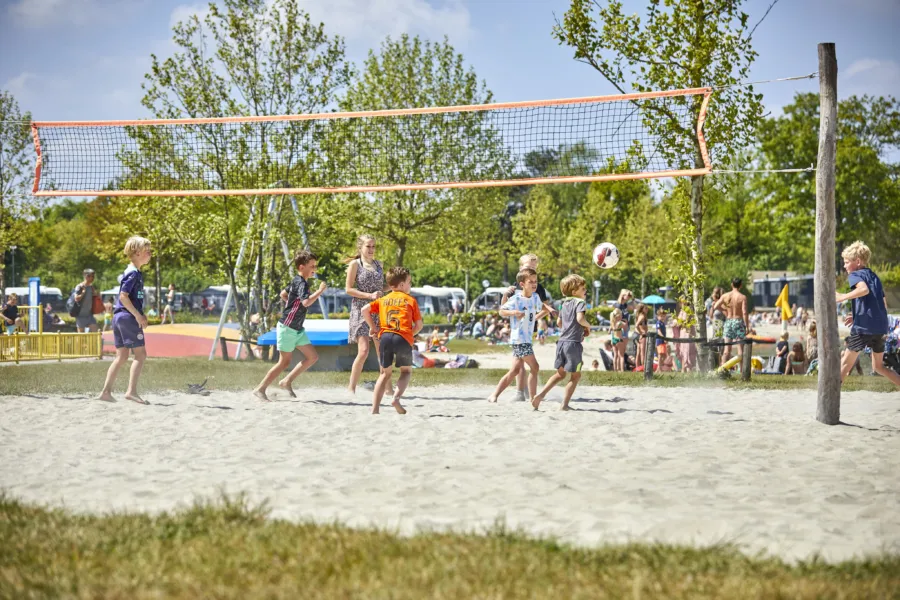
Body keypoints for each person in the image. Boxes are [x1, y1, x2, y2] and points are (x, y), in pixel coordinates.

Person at [253, 250, 327, 401]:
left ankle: (286, 381)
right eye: (312, 266)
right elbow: (306, 302)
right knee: (284, 362)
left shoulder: (297, 280)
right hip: (288, 327)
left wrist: (292, 304)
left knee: (312, 357)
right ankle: (260, 389)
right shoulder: (302, 283)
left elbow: (283, 294)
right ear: (302, 267)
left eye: (315, 265)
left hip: (297, 328)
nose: (315, 269)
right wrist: (319, 292)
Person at [836, 241, 900, 388]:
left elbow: (863, 290)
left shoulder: (855, 275)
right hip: (881, 327)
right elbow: (882, 303)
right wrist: (858, 315)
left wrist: (842, 297)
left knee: (844, 365)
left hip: (864, 328)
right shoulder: (874, 276)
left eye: (846, 262)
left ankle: (829, 400)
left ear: (857, 262)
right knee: (878, 367)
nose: (845, 266)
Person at [362, 266, 423, 414]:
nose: (410, 285)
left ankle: (375, 409)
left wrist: (373, 328)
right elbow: (419, 325)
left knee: (384, 374)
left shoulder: (383, 300)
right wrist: (411, 334)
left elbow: (364, 309)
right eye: (409, 282)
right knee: (406, 372)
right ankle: (396, 398)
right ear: (402, 285)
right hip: (403, 338)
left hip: (385, 338)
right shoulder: (410, 300)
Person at [99, 237, 153, 404]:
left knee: (121, 356)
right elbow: (123, 296)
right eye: (147, 250)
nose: (150, 254)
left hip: (119, 316)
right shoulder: (133, 273)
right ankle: (131, 391)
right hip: (127, 316)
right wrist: (138, 315)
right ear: (137, 253)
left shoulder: (133, 272)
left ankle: (106, 392)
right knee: (140, 355)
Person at [501, 254, 558, 401]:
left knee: (521, 361)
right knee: (520, 362)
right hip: (517, 328)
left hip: (528, 327)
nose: (531, 269)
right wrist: (506, 295)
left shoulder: (538, 287)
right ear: (521, 268)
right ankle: (522, 392)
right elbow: (504, 307)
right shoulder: (516, 286)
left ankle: (524, 392)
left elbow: (544, 307)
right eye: (528, 266)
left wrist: (536, 320)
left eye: (534, 267)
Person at [488, 268, 549, 403]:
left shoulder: (535, 297)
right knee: (535, 367)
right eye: (531, 282)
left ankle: (494, 395)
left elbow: (543, 309)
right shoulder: (516, 299)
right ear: (522, 284)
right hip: (519, 340)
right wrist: (515, 312)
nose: (534, 284)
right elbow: (501, 312)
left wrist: (537, 317)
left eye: (536, 281)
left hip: (526, 339)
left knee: (514, 371)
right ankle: (533, 398)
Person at [532, 274, 590, 411]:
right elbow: (580, 319)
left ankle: (540, 395)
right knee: (575, 376)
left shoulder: (563, 304)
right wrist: (588, 326)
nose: (585, 291)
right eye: (583, 288)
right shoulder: (580, 303)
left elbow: (559, 323)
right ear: (574, 292)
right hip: (573, 344)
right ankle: (564, 405)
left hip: (561, 343)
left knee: (560, 374)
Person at [344, 234, 393, 397]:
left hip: (379, 310)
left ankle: (388, 388)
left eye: (373, 246)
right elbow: (349, 289)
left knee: (383, 352)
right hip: (361, 310)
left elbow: (381, 286)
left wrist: (394, 286)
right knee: (363, 351)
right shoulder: (355, 264)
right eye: (368, 246)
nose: (371, 249)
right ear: (361, 247)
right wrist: (368, 295)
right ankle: (351, 388)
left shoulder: (379, 264)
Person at [713, 278, 749, 367]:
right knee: (740, 350)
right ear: (740, 285)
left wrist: (725, 309)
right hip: (738, 321)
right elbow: (744, 312)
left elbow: (716, 306)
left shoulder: (725, 296)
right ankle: (742, 372)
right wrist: (747, 326)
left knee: (726, 350)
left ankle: (723, 371)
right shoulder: (742, 297)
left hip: (728, 321)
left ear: (731, 285)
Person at [73, 268, 99, 332]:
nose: (93, 278)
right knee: (81, 337)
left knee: (95, 334)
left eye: (93, 276)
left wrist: (96, 294)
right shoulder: (80, 286)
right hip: (80, 315)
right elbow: (76, 299)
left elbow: (95, 297)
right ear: (86, 276)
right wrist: (83, 293)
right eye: (91, 276)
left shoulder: (91, 287)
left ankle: (92, 342)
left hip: (89, 315)